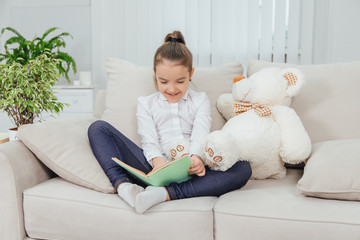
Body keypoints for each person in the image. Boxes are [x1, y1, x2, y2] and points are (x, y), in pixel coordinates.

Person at [88, 30, 252, 214]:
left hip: (193, 170)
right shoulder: (146, 103)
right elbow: (148, 139)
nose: (172, 88)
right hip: (154, 167)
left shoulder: (200, 100)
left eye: (180, 81)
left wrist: (197, 158)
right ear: (155, 74)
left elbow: (200, 133)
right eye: (163, 81)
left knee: (243, 167)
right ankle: (124, 187)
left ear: (191, 74)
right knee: (98, 128)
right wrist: (158, 164)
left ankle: (164, 194)